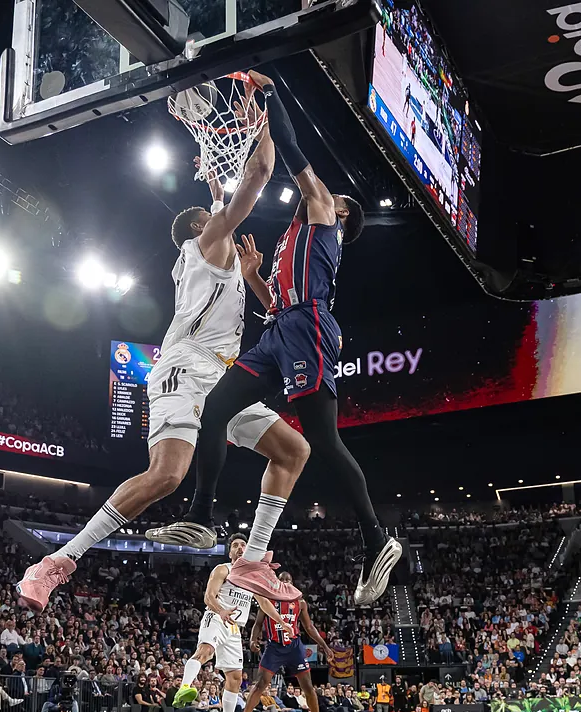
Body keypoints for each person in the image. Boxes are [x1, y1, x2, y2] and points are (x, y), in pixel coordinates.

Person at [16, 73, 309, 611]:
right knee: (167, 476)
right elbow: (260, 172)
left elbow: (223, 193)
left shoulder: (209, 252)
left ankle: (252, 561)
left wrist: (243, 259)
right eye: (212, 214)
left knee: (293, 451)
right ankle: (58, 561)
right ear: (203, 228)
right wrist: (261, 116)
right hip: (185, 368)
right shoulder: (208, 243)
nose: (219, 211)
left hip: (221, 373)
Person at [149, 72, 402, 606]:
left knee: (322, 440)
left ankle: (376, 538)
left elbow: (287, 148)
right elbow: (274, 303)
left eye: (338, 196)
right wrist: (254, 276)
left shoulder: (323, 214)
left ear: (344, 213)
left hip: (310, 326)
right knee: (214, 408)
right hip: (281, 326)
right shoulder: (295, 233)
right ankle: (200, 517)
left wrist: (268, 95)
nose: (328, 191)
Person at [170, 534, 295, 712]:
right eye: (235, 545)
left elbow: (264, 604)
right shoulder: (223, 569)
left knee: (235, 677)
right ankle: (184, 687)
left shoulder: (252, 578)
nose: (239, 548)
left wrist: (282, 623)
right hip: (216, 617)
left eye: (242, 546)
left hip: (235, 628)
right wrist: (221, 610)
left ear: (247, 552)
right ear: (230, 552)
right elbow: (208, 597)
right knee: (205, 651)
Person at [240, 572, 330, 712]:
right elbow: (258, 624)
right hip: (274, 647)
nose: (286, 582)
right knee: (260, 684)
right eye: (282, 580)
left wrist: (325, 646)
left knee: (308, 687)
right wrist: (253, 641)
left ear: (292, 582)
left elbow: (309, 628)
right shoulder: (267, 600)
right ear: (277, 583)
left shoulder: (300, 603)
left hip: (294, 647)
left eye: (288, 580)